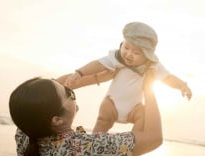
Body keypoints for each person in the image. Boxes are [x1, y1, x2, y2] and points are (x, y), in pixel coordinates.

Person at [9, 73, 162, 156]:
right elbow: (153, 137)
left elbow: (43, 92)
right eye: (69, 94)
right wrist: (148, 88)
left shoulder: (26, 132)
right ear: (57, 120)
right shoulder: (84, 150)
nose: (71, 92)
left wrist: (98, 76)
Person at [57, 21, 192, 133]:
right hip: (113, 103)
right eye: (126, 47)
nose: (128, 54)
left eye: (136, 52)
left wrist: (182, 85)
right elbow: (98, 64)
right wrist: (79, 73)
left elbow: (167, 77)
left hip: (134, 108)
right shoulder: (116, 58)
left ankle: (133, 141)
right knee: (103, 118)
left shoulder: (152, 66)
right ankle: (95, 142)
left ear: (147, 55)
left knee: (144, 116)